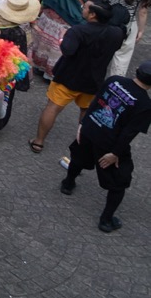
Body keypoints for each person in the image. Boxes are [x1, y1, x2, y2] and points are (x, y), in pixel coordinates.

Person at [61, 58, 151, 232]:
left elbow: (95, 102)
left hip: (90, 130)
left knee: (78, 158)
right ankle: (106, 220)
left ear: (137, 71)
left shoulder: (114, 80)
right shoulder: (145, 104)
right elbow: (129, 133)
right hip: (109, 144)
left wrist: (83, 124)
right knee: (119, 182)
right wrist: (115, 153)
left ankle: (68, 184)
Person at [30, 0, 124, 154]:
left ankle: (38, 141)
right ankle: (82, 143)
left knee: (53, 107)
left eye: (85, 7)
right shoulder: (116, 33)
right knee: (86, 111)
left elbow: (68, 50)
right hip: (93, 81)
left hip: (67, 78)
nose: (82, 8)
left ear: (93, 15)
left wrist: (63, 39)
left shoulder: (78, 31)